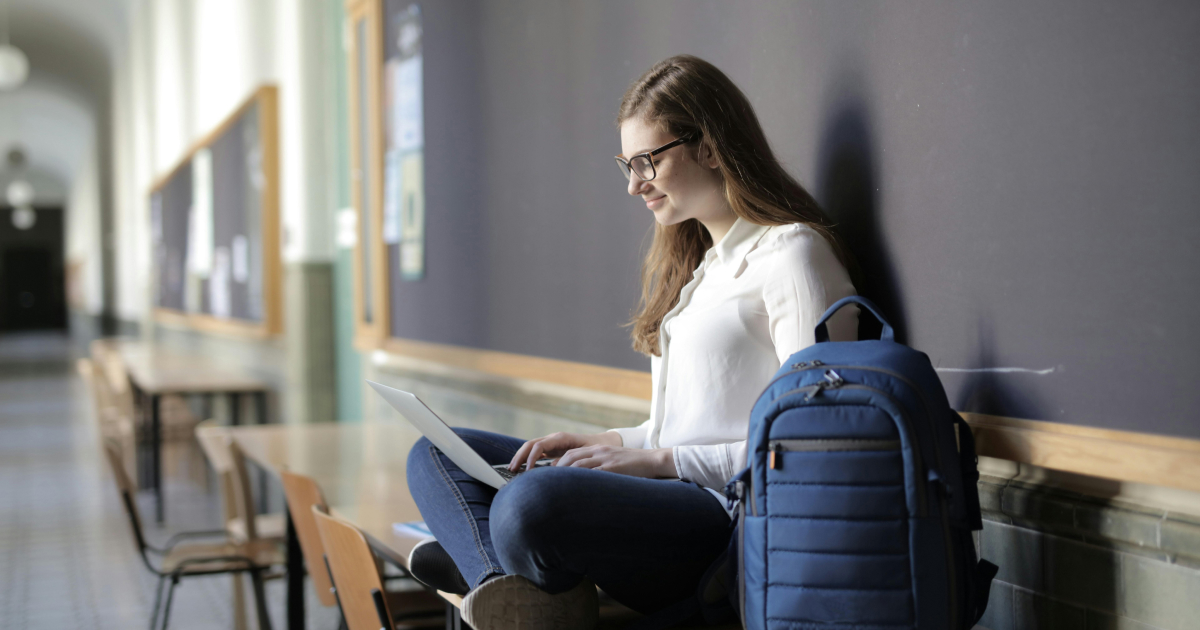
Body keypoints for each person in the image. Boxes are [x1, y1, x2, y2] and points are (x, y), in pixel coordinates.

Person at [404, 54, 859, 630]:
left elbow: (815, 446)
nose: (632, 184)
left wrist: (653, 461)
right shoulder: (701, 271)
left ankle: (497, 567)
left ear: (711, 145)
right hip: (671, 491)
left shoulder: (793, 255)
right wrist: (608, 441)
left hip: (729, 517)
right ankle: (506, 589)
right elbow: (683, 425)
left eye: (646, 160)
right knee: (434, 452)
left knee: (529, 503)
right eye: (627, 163)